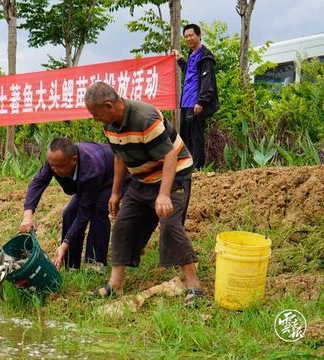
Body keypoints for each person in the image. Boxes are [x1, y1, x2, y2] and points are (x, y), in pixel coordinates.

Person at [84, 81, 203, 307]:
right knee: (122, 225)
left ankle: (193, 285)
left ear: (109, 105)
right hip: (142, 180)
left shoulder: (144, 118)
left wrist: (164, 195)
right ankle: (115, 285)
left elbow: (169, 156)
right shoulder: (110, 125)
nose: (94, 118)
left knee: (170, 224)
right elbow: (119, 157)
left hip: (174, 174)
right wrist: (116, 192)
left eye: (95, 113)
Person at [20, 137, 129, 272]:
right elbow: (38, 182)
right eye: (52, 166)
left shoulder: (90, 170)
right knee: (69, 213)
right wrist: (28, 214)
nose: (55, 170)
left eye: (59, 166)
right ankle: (71, 265)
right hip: (91, 180)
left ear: (74, 159)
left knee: (98, 210)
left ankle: (95, 263)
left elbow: (84, 213)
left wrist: (65, 244)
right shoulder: (55, 161)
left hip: (114, 176)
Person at [172, 23, 219, 170]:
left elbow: (207, 82)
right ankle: (187, 166)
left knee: (196, 136)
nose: (188, 38)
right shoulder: (191, 55)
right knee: (185, 136)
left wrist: (201, 101)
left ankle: (198, 167)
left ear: (199, 36)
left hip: (196, 104)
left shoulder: (205, 57)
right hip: (186, 103)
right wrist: (179, 59)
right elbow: (190, 74)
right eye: (186, 36)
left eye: (191, 35)